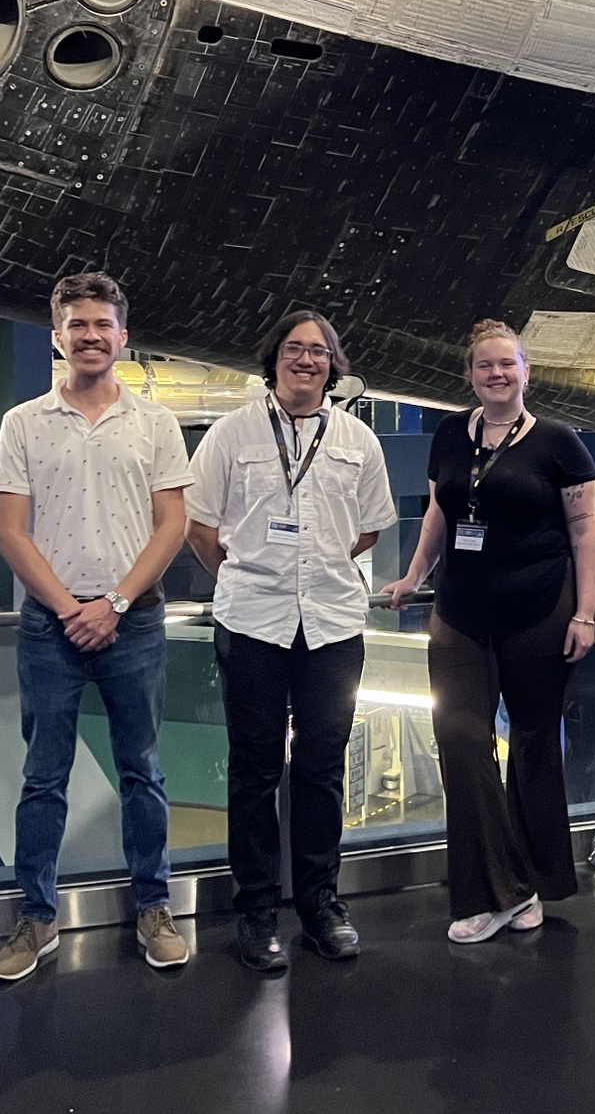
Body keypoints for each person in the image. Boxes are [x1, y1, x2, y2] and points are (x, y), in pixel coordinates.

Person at [0, 271, 193, 982]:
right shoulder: (22, 423)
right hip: (52, 625)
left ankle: (154, 908)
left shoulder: (156, 424)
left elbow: (175, 523)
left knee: (144, 771)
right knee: (43, 778)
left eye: (102, 325)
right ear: (58, 336)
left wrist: (115, 602)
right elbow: (11, 531)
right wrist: (74, 608)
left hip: (133, 622)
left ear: (122, 335)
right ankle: (36, 917)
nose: (91, 336)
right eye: (78, 325)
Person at [185, 310, 396, 972]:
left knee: (322, 768)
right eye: (293, 348)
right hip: (252, 622)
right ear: (272, 356)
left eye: (318, 351)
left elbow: (368, 529)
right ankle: (254, 912)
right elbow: (200, 524)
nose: (305, 359)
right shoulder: (229, 434)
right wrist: (250, 574)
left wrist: (315, 568)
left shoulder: (359, 440)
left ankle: (320, 906)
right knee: (253, 770)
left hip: (332, 623)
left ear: (333, 365)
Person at [380, 320, 595, 943]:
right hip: (459, 611)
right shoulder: (451, 433)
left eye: (508, 364)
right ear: (471, 374)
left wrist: (586, 614)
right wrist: (412, 575)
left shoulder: (560, 443)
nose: (496, 375)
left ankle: (531, 883)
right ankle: (492, 890)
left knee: (532, 744)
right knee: (460, 739)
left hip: (539, 609)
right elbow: (440, 512)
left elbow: (586, 534)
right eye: (485, 366)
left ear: (526, 372)